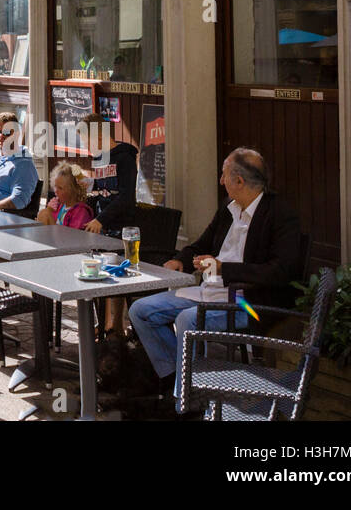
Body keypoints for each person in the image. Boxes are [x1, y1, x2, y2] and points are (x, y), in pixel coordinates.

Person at [127, 148, 303, 412]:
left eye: (224, 175)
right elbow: (202, 243)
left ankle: (184, 401)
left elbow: (280, 271)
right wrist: (181, 260)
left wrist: (226, 270)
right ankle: (181, 381)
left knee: (187, 319)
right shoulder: (228, 207)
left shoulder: (279, 214)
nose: (221, 181)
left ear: (239, 181)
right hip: (211, 291)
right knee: (140, 310)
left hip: (249, 303)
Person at [81, 114, 139, 336]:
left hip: (121, 227)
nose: (85, 146)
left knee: (115, 274)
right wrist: (88, 185)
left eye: (86, 140)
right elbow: (105, 188)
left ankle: (116, 326)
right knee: (98, 272)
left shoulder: (124, 158)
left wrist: (100, 219)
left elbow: (125, 197)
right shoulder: (99, 158)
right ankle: (103, 323)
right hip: (101, 225)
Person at [38, 162, 94, 229]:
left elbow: (73, 236)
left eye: (60, 188)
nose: (56, 191)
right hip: (53, 237)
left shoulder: (81, 212)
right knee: (43, 213)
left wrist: (48, 214)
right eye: (55, 187)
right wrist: (50, 209)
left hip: (67, 238)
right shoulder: (60, 206)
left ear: (73, 190)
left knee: (45, 214)